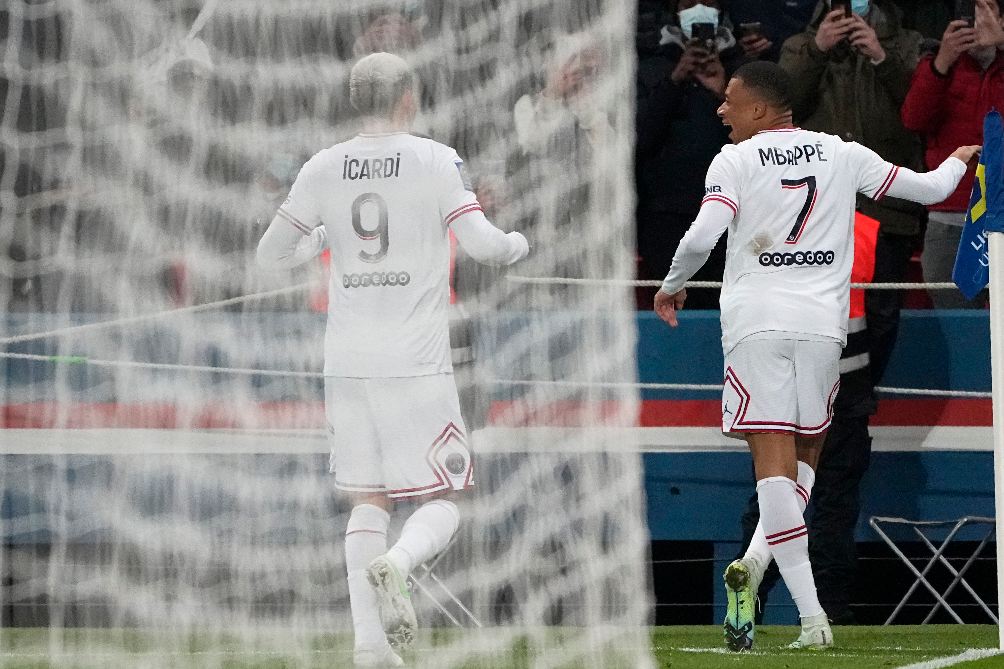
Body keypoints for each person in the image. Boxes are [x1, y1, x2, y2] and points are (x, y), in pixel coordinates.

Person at [653, 60, 978, 651]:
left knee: (773, 468)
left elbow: (703, 236)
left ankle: (811, 619)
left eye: (730, 100)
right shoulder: (842, 153)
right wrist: (961, 157)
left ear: (760, 109)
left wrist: (673, 281)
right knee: (804, 463)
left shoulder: (734, 160)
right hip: (824, 330)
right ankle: (753, 566)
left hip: (757, 326)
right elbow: (932, 189)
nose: (721, 109)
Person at [256, 52, 529, 668]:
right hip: (416, 360)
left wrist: (322, 241)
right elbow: (484, 247)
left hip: (347, 360)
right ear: (409, 96)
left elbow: (269, 256)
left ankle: (369, 650)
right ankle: (399, 565)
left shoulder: (322, 166)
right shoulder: (435, 159)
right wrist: (519, 244)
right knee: (443, 497)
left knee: (367, 500)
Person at [779, 0, 924, 387]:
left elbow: (922, 108)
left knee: (881, 313)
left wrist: (881, 56)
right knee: (817, 311)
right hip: (817, 210)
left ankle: (859, 397)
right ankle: (823, 400)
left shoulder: (907, 43)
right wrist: (817, 49)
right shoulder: (798, 46)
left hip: (887, 206)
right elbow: (779, 107)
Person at [635, 0, 743, 308]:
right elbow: (639, 138)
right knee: (672, 316)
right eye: (688, 1)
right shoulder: (649, 65)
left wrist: (723, 92)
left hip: (730, 218)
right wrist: (674, 80)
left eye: (707, 1)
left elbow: (758, 143)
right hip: (665, 219)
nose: (698, 7)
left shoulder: (743, 67)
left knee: (727, 313)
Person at [901, 0, 1004, 307]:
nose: (976, 21)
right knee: (954, 323)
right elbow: (913, 120)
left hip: (1001, 212)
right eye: (969, 13)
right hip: (950, 217)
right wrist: (942, 62)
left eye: (985, 11)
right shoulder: (937, 64)